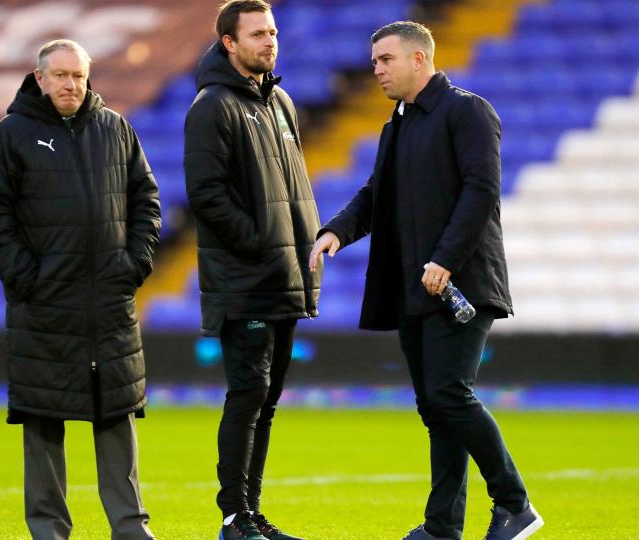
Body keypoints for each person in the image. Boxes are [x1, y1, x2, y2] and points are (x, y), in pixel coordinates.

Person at [309, 21, 543, 540]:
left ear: (419, 59)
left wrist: (446, 259)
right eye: (374, 62)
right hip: (417, 287)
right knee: (436, 407)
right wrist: (337, 232)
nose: (376, 70)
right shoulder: (398, 123)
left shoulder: (467, 111)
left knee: (447, 395)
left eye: (385, 60)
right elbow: (376, 193)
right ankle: (442, 526)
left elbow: (481, 192)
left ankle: (515, 503)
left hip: (461, 284)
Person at [0, 39, 160, 540]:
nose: (71, 84)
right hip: (44, 303)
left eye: (78, 75)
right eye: (60, 75)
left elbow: (147, 199)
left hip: (109, 302)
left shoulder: (115, 128)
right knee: (42, 418)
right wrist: (26, 277)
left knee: (116, 413)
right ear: (39, 78)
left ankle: (130, 526)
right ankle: (49, 529)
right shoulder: (10, 135)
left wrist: (135, 263)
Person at [183, 1, 321, 539]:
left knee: (266, 402)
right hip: (247, 278)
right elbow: (206, 195)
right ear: (229, 43)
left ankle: (252, 514)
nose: (270, 41)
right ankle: (233, 516)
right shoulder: (211, 106)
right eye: (258, 33)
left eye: (273, 31)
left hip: (285, 276)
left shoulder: (280, 101)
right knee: (248, 395)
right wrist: (262, 245)